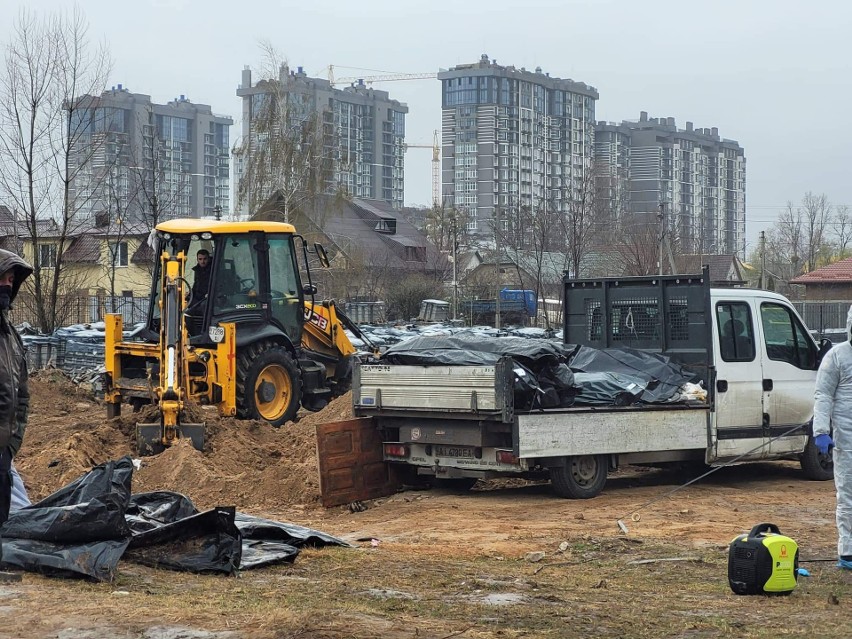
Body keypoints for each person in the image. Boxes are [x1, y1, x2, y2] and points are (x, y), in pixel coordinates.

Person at [813, 305, 852, 569]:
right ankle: (848, 550)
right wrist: (821, 431)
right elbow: (823, 395)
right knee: (848, 492)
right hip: (846, 439)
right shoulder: (836, 357)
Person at [0, 249, 32, 531]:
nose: (8, 285)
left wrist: (11, 446)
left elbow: (21, 397)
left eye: (12, 280)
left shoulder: (12, 338)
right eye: (4, 278)